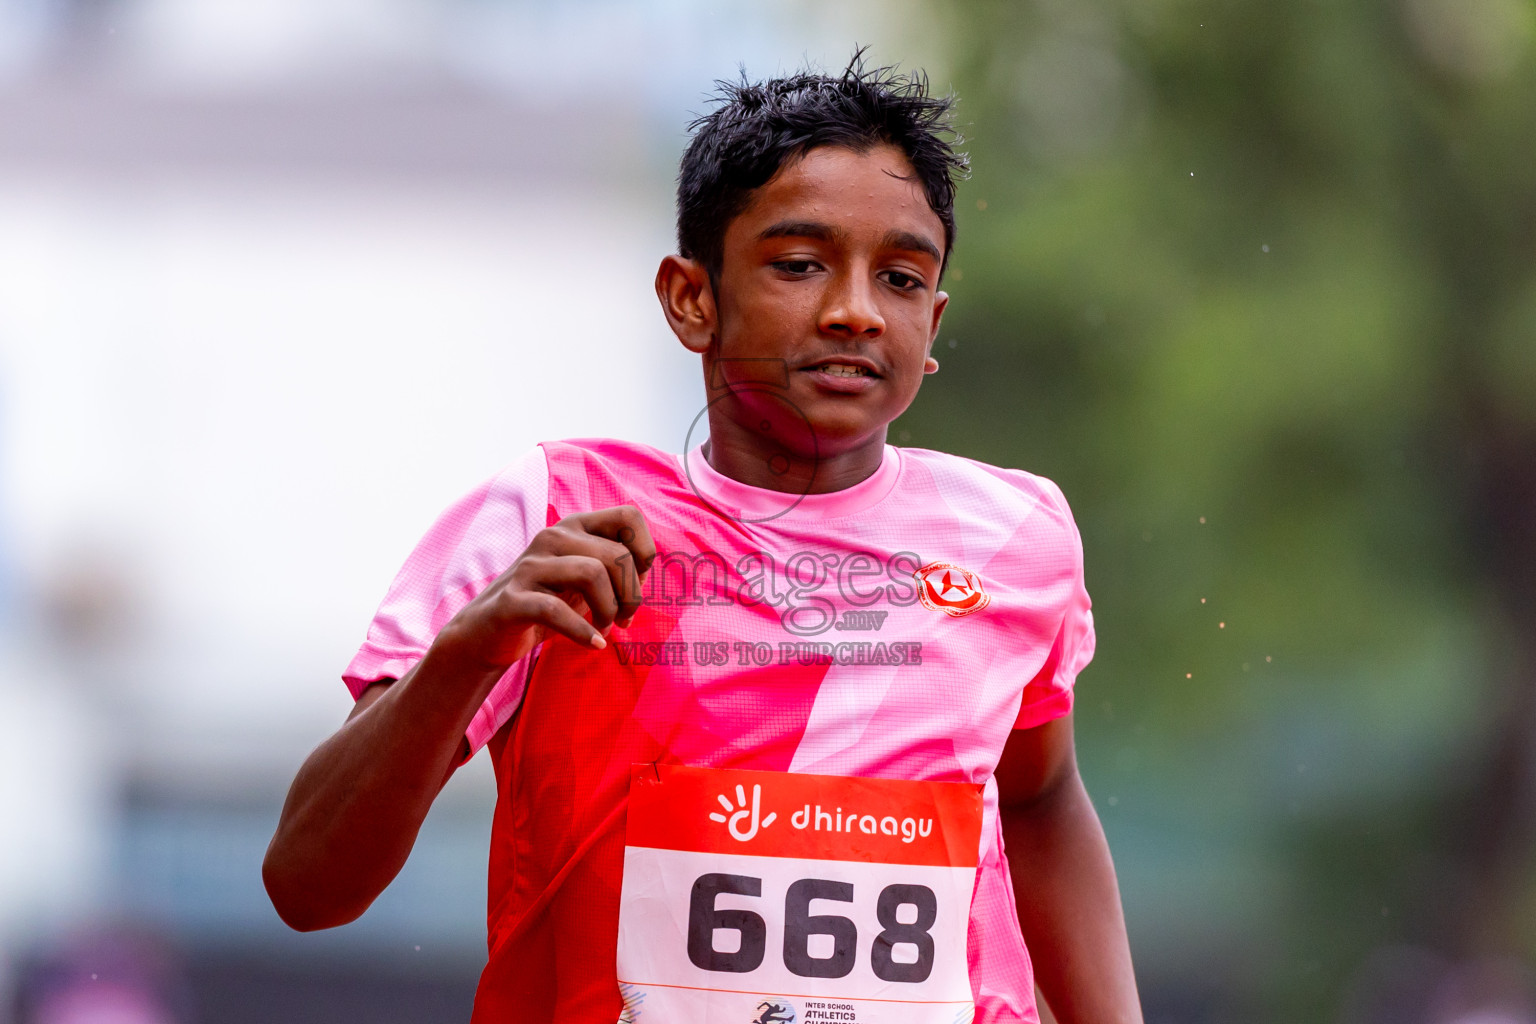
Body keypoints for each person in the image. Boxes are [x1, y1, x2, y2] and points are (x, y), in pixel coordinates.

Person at [263, 58, 1143, 1024]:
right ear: (693, 299)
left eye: (899, 278)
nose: (856, 309)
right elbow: (307, 886)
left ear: (929, 323)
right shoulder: (555, 515)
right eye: (800, 264)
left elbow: (1039, 798)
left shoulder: (1015, 537)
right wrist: (465, 655)